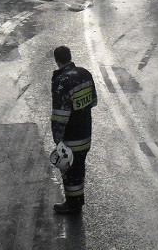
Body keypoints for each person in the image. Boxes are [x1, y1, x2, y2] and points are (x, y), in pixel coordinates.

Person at [51, 45, 97, 215]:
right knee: (79, 169)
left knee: (70, 172)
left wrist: (57, 139)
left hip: (71, 138)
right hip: (85, 134)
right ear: (70, 56)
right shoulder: (85, 74)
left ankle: (72, 205)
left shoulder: (62, 81)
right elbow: (93, 101)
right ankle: (77, 202)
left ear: (57, 60)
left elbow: (60, 115)